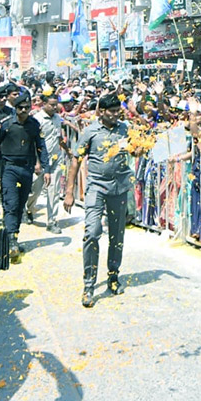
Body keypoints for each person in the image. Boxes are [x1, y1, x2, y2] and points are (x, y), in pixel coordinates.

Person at [65, 94, 141, 308]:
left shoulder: (125, 129)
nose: (116, 114)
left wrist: (137, 148)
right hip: (96, 187)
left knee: (117, 236)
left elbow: (136, 150)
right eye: (112, 111)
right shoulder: (90, 131)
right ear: (101, 112)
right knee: (92, 232)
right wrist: (69, 191)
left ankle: (113, 276)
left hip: (119, 188)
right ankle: (89, 284)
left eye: (118, 111)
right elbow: (76, 159)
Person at [0, 93, 51, 258]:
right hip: (9, 168)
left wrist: (46, 168)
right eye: (20, 107)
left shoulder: (34, 125)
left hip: (27, 169)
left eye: (27, 107)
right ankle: (11, 240)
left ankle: (14, 235)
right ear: (15, 108)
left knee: (20, 206)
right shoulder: (6, 124)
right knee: (11, 203)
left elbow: (41, 147)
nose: (24, 110)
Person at [26, 91, 69, 234]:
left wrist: (68, 151)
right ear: (44, 104)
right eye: (51, 105)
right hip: (40, 160)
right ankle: (29, 209)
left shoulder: (57, 118)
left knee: (54, 191)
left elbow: (59, 138)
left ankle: (52, 221)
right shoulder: (36, 119)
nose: (54, 107)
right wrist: (37, 162)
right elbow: (32, 142)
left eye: (56, 104)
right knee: (35, 189)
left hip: (56, 159)